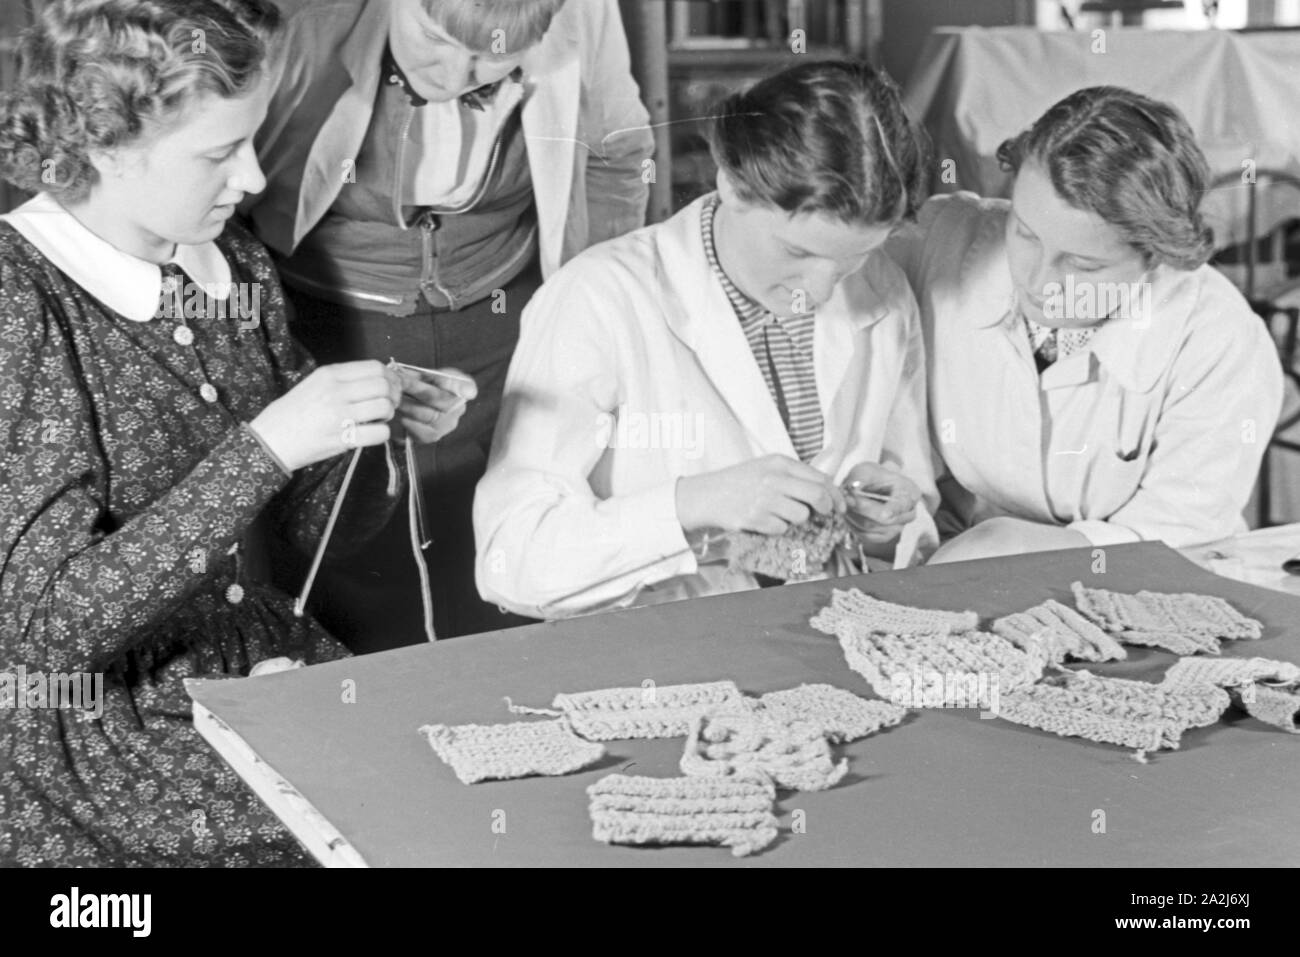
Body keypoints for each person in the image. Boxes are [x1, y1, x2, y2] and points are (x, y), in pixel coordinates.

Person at [0, 0, 465, 867]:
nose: (251, 178)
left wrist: (370, 430)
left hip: (258, 673)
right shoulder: (20, 297)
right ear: (105, 147)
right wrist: (268, 446)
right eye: (219, 152)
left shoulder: (233, 262)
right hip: (102, 740)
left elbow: (307, 534)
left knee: (452, 789)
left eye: (252, 141)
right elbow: (43, 634)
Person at [241, 0, 655, 644]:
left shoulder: (582, 11)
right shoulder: (300, 21)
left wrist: (589, 309)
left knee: (504, 532)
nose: (456, 74)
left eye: (491, 58)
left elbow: (615, 155)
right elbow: (229, 187)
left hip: (505, 309)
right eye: (434, 40)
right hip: (328, 314)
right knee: (346, 543)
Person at [474, 60, 939, 619]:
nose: (818, 292)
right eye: (796, 252)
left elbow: (911, 499)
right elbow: (512, 560)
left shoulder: (884, 291)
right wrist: (690, 504)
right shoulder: (598, 298)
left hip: (822, 628)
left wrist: (881, 520)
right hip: (655, 643)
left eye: (854, 258)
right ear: (733, 184)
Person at [886, 86, 1284, 563]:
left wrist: (1019, 547)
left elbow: (1181, 529)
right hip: (951, 555)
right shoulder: (939, 239)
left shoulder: (1218, 338)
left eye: (1082, 264)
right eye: (1025, 233)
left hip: (1141, 579)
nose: (1039, 281)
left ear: (1156, 254)